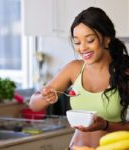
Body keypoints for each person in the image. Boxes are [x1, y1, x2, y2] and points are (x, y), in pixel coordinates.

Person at [29, 7, 129, 148]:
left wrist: (105, 125)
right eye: (77, 42)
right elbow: (33, 104)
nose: (82, 48)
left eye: (90, 40)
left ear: (107, 39)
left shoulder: (125, 72)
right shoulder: (74, 68)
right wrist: (43, 97)